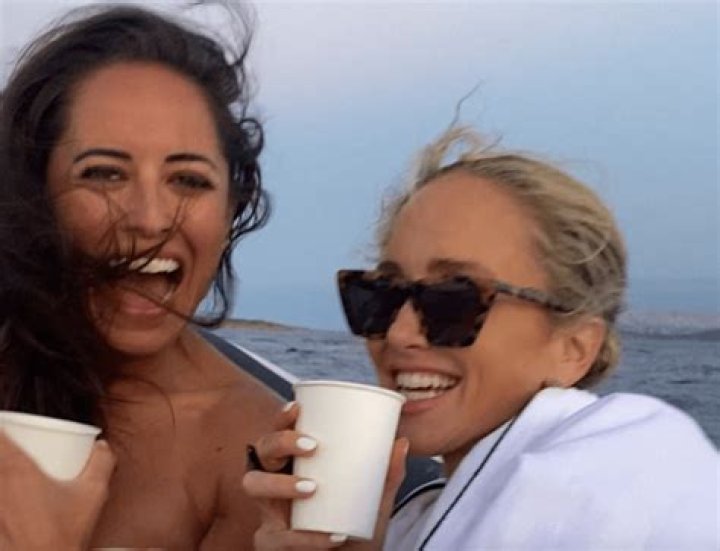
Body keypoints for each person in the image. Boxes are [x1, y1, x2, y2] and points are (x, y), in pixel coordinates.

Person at [243, 126, 719, 550]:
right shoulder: (416, 521)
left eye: (454, 298)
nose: (400, 333)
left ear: (574, 347)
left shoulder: (615, 475)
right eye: (382, 293)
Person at [0, 2, 283, 548]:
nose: (150, 219)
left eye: (189, 180)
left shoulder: (257, 454)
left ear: (230, 210)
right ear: (36, 196)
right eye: (105, 174)